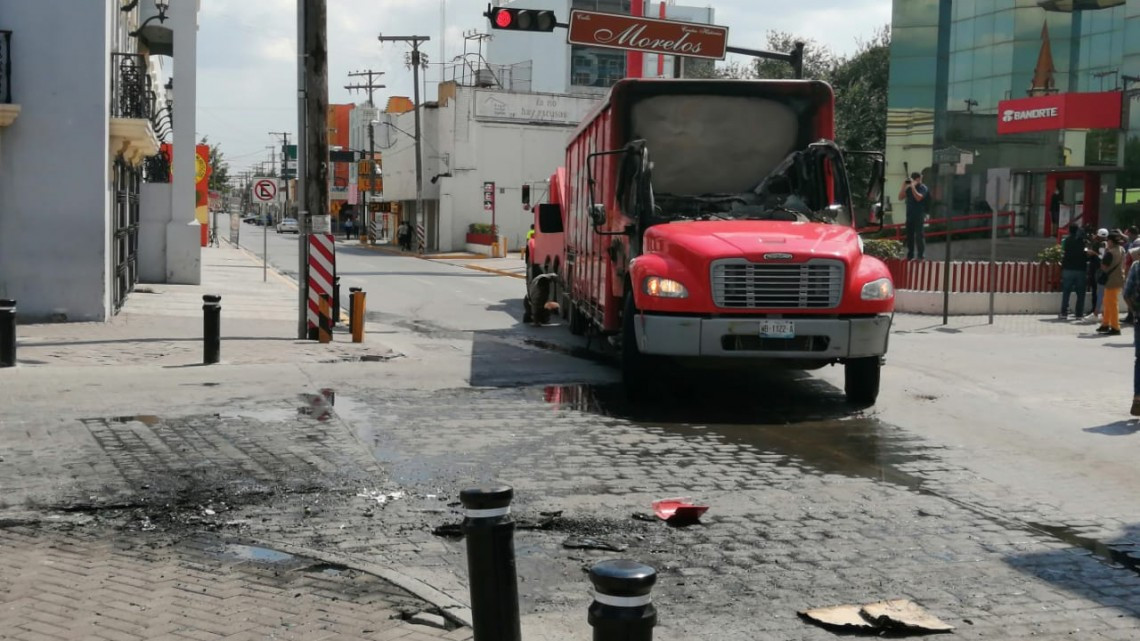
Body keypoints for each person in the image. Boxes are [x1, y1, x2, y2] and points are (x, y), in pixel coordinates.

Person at [1097, 232, 1126, 335]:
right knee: (1108, 302)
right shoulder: (1122, 249)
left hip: (1110, 280)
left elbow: (1103, 267)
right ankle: (1105, 324)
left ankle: (1115, 327)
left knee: (1111, 304)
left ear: (1110, 241)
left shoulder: (1110, 252)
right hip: (1119, 279)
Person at [898, 171, 929, 260]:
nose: (921, 180)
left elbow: (918, 198)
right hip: (910, 215)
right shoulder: (908, 189)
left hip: (919, 215)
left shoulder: (923, 188)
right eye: (920, 178)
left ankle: (920, 255)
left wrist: (912, 187)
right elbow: (900, 197)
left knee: (919, 235)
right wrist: (904, 185)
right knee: (909, 236)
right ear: (917, 179)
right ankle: (910, 256)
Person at [1059, 223, 1086, 319]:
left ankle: (1063, 313)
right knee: (1081, 293)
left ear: (1069, 231)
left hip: (1068, 268)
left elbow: (1063, 251)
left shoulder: (1066, 241)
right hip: (1080, 269)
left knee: (1066, 291)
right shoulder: (1083, 241)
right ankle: (1079, 314)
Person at [1084, 228, 1108, 322]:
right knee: (1097, 291)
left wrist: (1093, 252)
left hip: (1098, 270)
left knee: (1097, 291)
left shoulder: (1102, 244)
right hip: (1097, 269)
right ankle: (1097, 311)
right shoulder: (1103, 243)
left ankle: (1096, 311)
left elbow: (1101, 257)